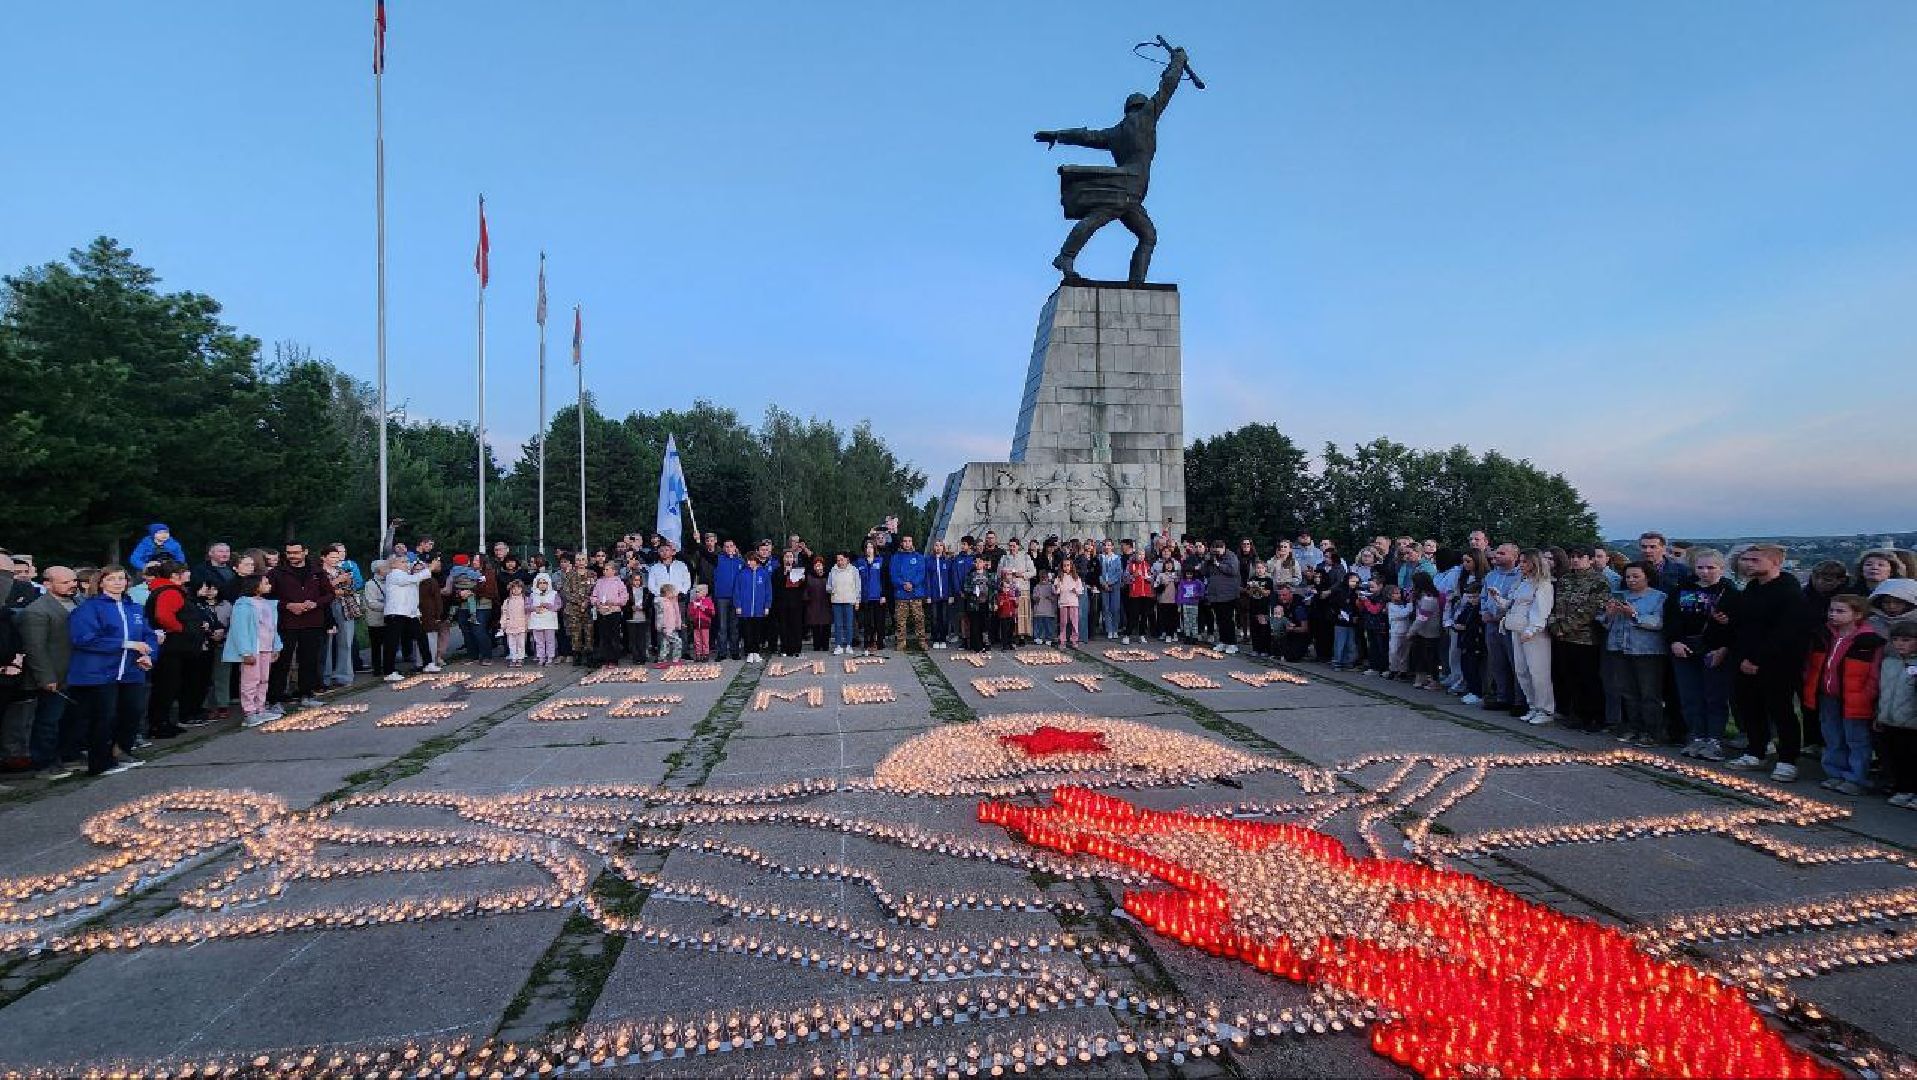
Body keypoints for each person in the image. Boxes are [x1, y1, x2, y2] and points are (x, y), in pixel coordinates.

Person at [1722, 544, 1811, 781]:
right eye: (1746, 559)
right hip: (1744, 659)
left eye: (1754, 560)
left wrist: (1758, 659)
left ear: (1775, 562)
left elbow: (1786, 632)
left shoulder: (1789, 592)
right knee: (1750, 707)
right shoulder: (1751, 589)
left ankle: (1788, 759)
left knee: (1781, 710)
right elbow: (1742, 626)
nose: (1747, 564)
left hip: (1778, 663)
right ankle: (1756, 750)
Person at [68, 566, 158, 775]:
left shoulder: (133, 607)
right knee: (103, 717)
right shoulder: (90, 608)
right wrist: (125, 644)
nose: (118, 583)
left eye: (122, 579)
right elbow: (83, 639)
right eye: (112, 579)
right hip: (100, 673)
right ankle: (100, 763)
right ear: (101, 583)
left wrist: (148, 655)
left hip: (131, 670)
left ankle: (120, 751)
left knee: (132, 711)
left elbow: (148, 634)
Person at [1804, 595, 1883, 796]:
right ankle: (1835, 772)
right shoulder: (1824, 635)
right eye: (1831, 610)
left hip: (1855, 697)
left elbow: (1873, 673)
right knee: (1832, 735)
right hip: (1827, 694)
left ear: (1857, 615)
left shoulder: (1869, 640)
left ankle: (1856, 777)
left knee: (1856, 738)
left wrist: (1868, 695)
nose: (1833, 615)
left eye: (1840, 611)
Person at [1666, 548, 1734, 760]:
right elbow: (1671, 618)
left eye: (1711, 567)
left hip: (1714, 649)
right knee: (1690, 695)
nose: (1705, 572)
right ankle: (1696, 736)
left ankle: (1714, 739)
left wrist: (1723, 644)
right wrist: (1674, 640)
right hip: (1684, 647)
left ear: (1721, 569)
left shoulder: (1729, 592)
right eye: (1700, 567)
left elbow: (1738, 625)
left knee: (1714, 696)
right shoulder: (1680, 589)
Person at [19, 566, 80, 780]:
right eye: (65, 582)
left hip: (77, 673)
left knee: (71, 719)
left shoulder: (78, 603)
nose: (72, 585)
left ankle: (67, 757)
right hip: (53, 675)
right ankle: (44, 764)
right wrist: (45, 677)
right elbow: (35, 647)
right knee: (48, 721)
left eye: (73, 580)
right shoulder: (37, 610)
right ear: (47, 584)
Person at [1602, 563, 1668, 747]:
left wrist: (1635, 615)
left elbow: (1658, 622)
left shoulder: (1659, 597)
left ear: (1647, 577)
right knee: (1627, 691)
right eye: (1628, 577)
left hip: (1646, 651)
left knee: (1649, 693)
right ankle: (1633, 726)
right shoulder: (1621, 596)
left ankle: (1652, 731)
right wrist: (1609, 613)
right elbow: (1605, 623)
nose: (1631, 580)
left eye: (1635, 576)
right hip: (1620, 648)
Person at [266, 542, 335, 710]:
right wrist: (287, 606)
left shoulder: (317, 572)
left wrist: (315, 603)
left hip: (312, 622)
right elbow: (267, 597)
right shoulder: (276, 573)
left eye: (296, 552)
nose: (292, 556)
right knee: (282, 662)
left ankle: (307, 694)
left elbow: (330, 594)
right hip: (287, 623)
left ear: (305, 552)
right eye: (289, 553)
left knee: (309, 660)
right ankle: (275, 699)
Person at [1549, 545, 1610, 731]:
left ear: (1590, 560)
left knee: (1588, 678)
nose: (1575, 560)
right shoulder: (1566, 579)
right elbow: (1556, 605)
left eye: (1580, 557)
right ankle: (1577, 714)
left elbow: (1591, 610)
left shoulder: (1599, 581)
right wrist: (1555, 626)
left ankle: (1595, 717)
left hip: (1585, 639)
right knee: (1570, 677)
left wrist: (1565, 627)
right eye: (1572, 556)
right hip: (1563, 636)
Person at [1502, 550, 1556, 725]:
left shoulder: (1543, 584)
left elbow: (1541, 609)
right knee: (1522, 670)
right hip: (1517, 628)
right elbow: (1512, 603)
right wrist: (1498, 599)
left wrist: (1533, 629)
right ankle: (1532, 705)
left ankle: (1545, 709)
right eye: (1521, 561)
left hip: (1534, 632)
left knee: (1538, 671)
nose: (1521, 565)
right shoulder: (1522, 582)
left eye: (1525, 562)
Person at [225, 573, 282, 728]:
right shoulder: (243, 605)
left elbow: (272, 627)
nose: (269, 585)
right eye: (265, 582)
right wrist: (246, 652)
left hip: (266, 648)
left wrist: (276, 646)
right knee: (250, 680)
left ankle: (260, 708)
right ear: (255, 586)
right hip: (252, 649)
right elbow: (240, 629)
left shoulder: (268, 604)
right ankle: (249, 712)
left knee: (264, 679)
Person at [1876, 621, 1917, 809]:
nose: (1900, 644)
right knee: (1897, 756)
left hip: (1912, 722)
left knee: (1912, 757)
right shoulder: (1889, 662)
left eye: (1906, 640)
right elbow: (1883, 690)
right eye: (1896, 640)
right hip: (1891, 719)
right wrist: (1879, 714)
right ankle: (1903, 789)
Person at [381, 554, 440, 680]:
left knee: (421, 636)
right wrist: (429, 569)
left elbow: (412, 593)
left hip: (410, 613)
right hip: (396, 613)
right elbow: (414, 579)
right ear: (393, 565)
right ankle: (388, 672)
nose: (406, 563)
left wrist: (416, 612)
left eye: (407, 561)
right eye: (402, 561)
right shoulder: (394, 574)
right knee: (392, 642)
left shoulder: (406, 575)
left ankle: (428, 663)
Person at [888, 536, 929, 651]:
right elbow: (893, 575)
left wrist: (913, 583)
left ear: (912, 543)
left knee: (919, 619)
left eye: (909, 541)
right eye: (905, 541)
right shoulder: (895, 558)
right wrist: (903, 584)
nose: (907, 543)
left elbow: (921, 573)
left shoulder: (919, 557)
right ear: (902, 543)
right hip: (901, 594)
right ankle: (901, 641)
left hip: (916, 593)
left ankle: (922, 641)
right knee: (900, 620)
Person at [733, 550, 773, 664]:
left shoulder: (763, 573)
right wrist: (738, 605)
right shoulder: (742, 574)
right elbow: (737, 591)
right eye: (748, 560)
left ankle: (756, 652)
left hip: (759, 609)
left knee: (758, 631)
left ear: (756, 561)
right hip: (745, 609)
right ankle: (749, 652)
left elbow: (768, 591)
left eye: (752, 560)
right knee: (747, 631)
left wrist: (767, 606)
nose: (749, 563)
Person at [1203, 539, 1242, 654]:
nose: (1216, 553)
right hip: (1215, 595)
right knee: (1219, 620)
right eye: (1214, 551)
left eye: (1218, 551)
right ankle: (1223, 641)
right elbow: (1204, 572)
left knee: (1228, 620)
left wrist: (1218, 564)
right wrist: (1206, 562)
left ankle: (1232, 643)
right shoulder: (1212, 558)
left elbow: (1233, 570)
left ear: (1223, 548)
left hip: (1228, 594)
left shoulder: (1231, 557)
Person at [1409, 571, 1445, 691]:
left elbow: (1422, 617)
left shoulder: (1429, 598)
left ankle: (1434, 680)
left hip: (1430, 631)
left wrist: (1411, 631)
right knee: (1418, 654)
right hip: (1421, 631)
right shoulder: (1421, 596)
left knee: (1431, 656)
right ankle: (1421, 677)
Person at [710, 540, 743, 661]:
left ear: (735, 547)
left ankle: (735, 652)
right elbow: (705, 553)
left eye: (731, 546)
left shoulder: (740, 561)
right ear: (723, 548)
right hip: (721, 597)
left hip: (736, 598)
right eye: (726, 546)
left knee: (734, 626)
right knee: (722, 626)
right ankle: (722, 652)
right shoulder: (718, 559)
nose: (729, 548)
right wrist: (698, 541)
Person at [855, 541, 887, 657]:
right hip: (865, 597)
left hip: (878, 597)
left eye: (871, 547)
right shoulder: (859, 562)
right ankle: (868, 642)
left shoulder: (881, 561)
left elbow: (884, 579)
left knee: (879, 620)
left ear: (875, 549)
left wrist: (883, 594)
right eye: (867, 547)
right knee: (867, 622)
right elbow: (856, 580)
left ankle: (879, 641)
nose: (869, 550)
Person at [1002, 539, 1036, 645]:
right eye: (1010, 546)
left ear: (1018, 546)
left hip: (1022, 587)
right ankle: (1011, 635)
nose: (1012, 548)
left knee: (1021, 613)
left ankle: (1022, 636)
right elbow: (1000, 571)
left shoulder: (1025, 557)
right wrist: (1006, 574)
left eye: (1014, 546)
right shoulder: (1005, 558)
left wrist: (1021, 574)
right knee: (1011, 613)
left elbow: (1033, 572)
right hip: (1009, 589)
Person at [925, 540, 957, 650]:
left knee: (944, 617)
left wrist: (951, 595)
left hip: (945, 595)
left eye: (940, 546)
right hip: (933, 595)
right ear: (933, 547)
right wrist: (928, 595)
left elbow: (951, 578)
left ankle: (943, 638)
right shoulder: (929, 561)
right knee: (934, 617)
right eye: (936, 545)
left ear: (943, 548)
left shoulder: (947, 561)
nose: (938, 548)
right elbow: (927, 579)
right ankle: (935, 638)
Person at [363, 559, 390, 679]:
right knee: (376, 645)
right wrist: (389, 607)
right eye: (386, 568)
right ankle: (377, 668)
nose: (389, 570)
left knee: (388, 643)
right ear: (379, 570)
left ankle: (388, 666)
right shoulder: (370, 584)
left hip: (388, 618)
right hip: (375, 620)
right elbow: (371, 603)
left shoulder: (389, 581)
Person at [960, 557, 994, 653]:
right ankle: (976, 646)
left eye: (980, 562)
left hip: (986, 603)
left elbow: (993, 587)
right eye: (976, 562)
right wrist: (973, 590)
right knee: (975, 624)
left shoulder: (989, 574)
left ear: (984, 563)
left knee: (985, 624)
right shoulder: (971, 575)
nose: (978, 564)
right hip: (974, 603)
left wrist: (992, 601)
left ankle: (986, 644)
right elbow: (966, 587)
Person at [1245, 562, 1274, 658]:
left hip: (1264, 608)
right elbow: (1248, 592)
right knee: (1254, 628)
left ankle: (1264, 649)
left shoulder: (1268, 580)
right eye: (1258, 568)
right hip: (1253, 607)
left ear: (1265, 569)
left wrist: (1258, 588)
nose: (1259, 570)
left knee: (1264, 629)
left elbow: (1267, 593)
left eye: (1261, 568)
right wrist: (1251, 589)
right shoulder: (1252, 579)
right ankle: (1255, 648)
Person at [497, 579, 529, 666]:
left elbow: (528, 614)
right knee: (511, 643)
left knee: (521, 643)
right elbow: (504, 613)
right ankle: (513, 658)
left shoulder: (525, 600)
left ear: (522, 589)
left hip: (521, 624)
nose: (516, 590)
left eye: (518, 588)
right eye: (513, 588)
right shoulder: (507, 601)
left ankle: (520, 658)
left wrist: (527, 624)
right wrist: (503, 624)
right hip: (510, 625)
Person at [803, 557, 831, 652]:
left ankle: (825, 646)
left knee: (826, 625)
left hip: (826, 604)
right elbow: (805, 589)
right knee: (815, 626)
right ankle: (817, 646)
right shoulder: (809, 576)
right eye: (816, 565)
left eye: (820, 565)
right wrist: (806, 598)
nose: (818, 567)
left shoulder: (829, 576)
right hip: (813, 604)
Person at [655, 582, 685, 666]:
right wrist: (662, 627)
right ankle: (676, 659)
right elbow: (660, 616)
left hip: (672, 627)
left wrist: (678, 624)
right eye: (673, 591)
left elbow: (676, 614)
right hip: (666, 628)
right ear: (667, 593)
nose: (674, 593)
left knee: (665, 644)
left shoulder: (672, 602)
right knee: (678, 641)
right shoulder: (662, 603)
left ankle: (662, 660)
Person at [688, 584, 715, 662]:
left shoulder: (708, 601)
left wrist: (704, 609)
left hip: (705, 623)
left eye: (698, 592)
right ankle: (698, 654)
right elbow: (690, 613)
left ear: (704, 592)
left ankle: (706, 654)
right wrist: (694, 608)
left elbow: (712, 613)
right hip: (696, 624)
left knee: (705, 640)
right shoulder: (693, 602)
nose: (696, 593)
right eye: (696, 592)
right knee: (697, 640)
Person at [1032, 572, 1059, 647]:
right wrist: (1037, 598)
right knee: (1039, 625)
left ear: (1048, 578)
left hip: (1049, 611)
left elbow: (1055, 596)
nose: (1044, 579)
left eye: (1045, 577)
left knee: (1048, 626)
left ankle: (1049, 638)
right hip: (1039, 611)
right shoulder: (1037, 587)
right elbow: (1034, 598)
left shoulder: (1051, 586)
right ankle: (1038, 637)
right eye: (1042, 577)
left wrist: (1051, 597)